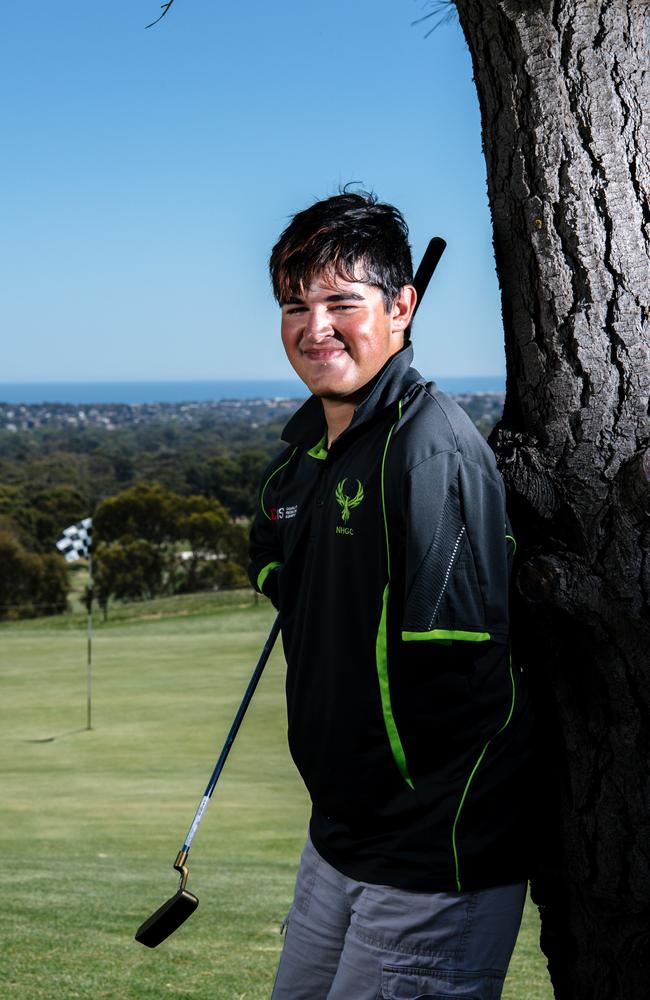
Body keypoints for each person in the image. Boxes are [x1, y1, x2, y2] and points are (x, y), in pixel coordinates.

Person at [249, 190, 532, 1000]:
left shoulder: (429, 450)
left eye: (343, 301)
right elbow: (268, 547)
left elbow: (457, 674)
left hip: (430, 856)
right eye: (295, 305)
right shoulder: (303, 451)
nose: (316, 326)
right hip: (337, 839)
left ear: (402, 305)